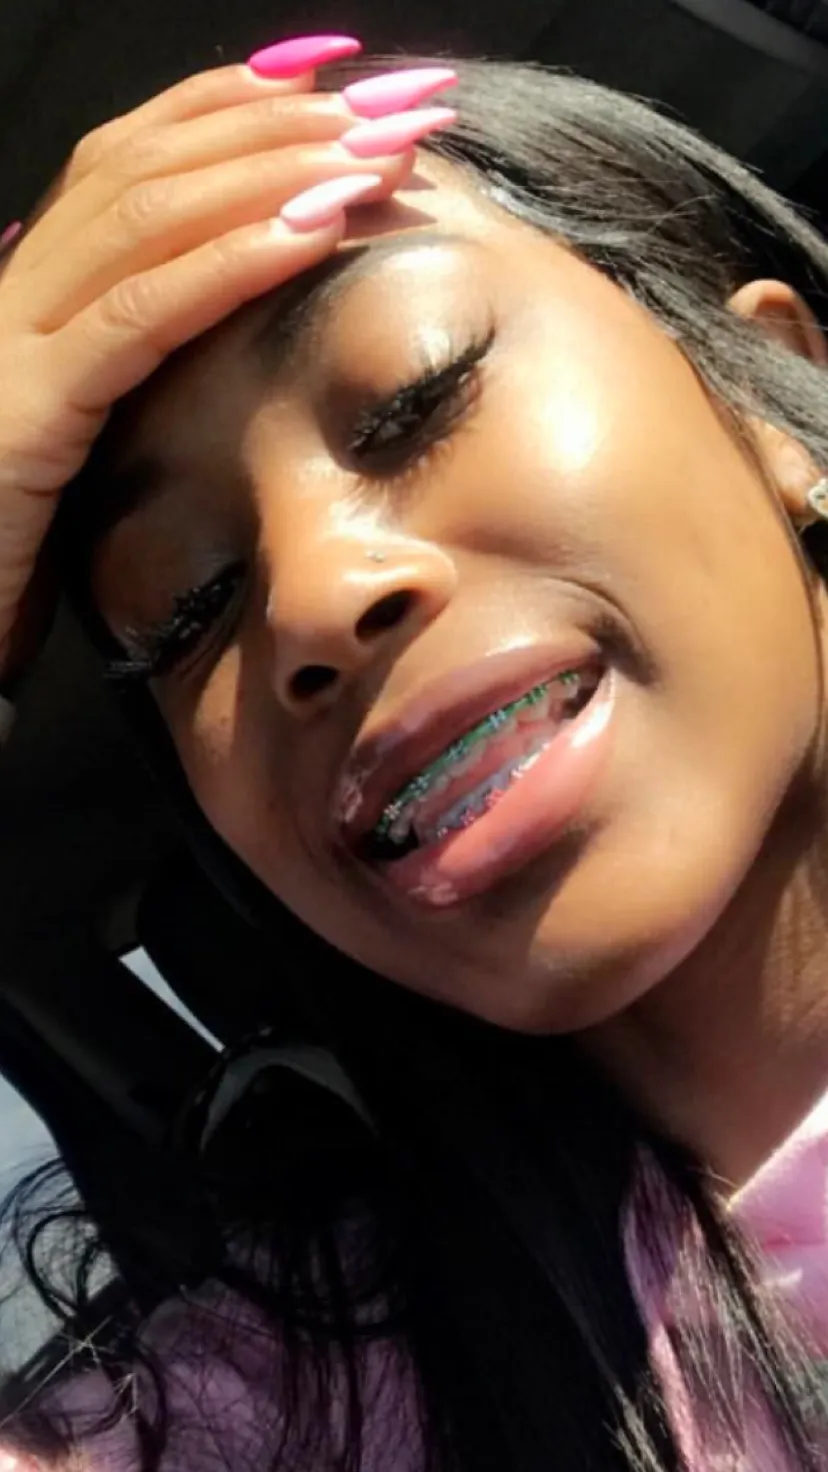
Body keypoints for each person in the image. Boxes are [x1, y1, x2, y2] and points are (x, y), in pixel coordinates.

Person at [2, 31, 828, 1471]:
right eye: (187, 606)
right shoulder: (292, 1418)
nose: (312, 600)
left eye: (416, 396)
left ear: (768, 383)